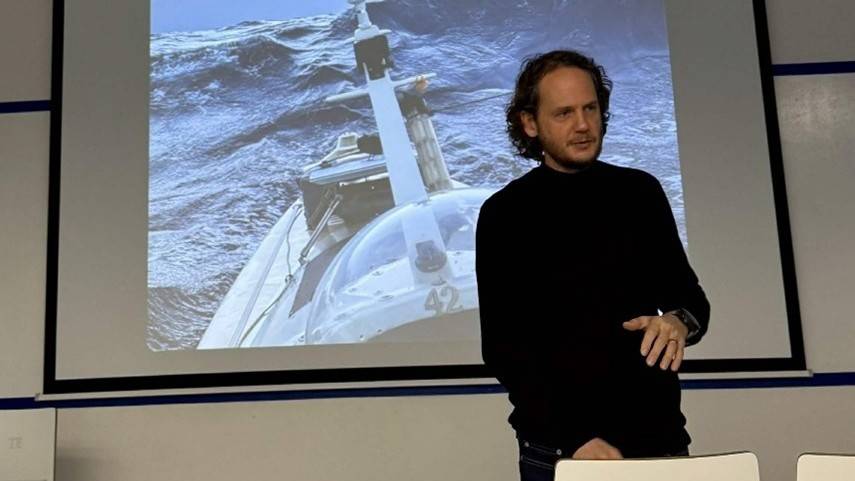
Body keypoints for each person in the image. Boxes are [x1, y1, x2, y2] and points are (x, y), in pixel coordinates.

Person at [475, 50, 710, 481]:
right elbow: (504, 349)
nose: (583, 125)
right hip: (559, 451)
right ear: (530, 123)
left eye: (590, 108)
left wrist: (678, 322)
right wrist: (575, 438)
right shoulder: (504, 215)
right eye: (564, 113)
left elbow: (692, 302)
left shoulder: (640, 193)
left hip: (658, 441)